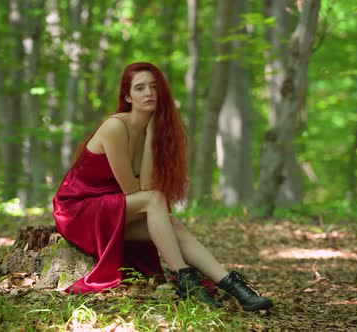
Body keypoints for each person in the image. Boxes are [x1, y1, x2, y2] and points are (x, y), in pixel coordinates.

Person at [53, 62, 273, 311]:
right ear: (128, 96)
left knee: (173, 224)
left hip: (110, 211)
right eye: (140, 88)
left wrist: (151, 134)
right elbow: (134, 192)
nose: (148, 93)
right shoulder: (116, 127)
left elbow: (145, 186)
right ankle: (185, 279)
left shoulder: (149, 130)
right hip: (78, 211)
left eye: (154, 87)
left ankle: (233, 286)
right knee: (155, 200)